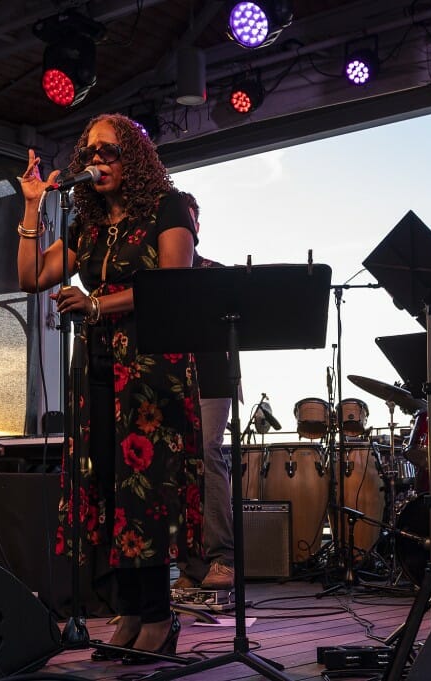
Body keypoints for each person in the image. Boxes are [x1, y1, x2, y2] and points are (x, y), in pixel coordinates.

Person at [17, 113, 205, 662]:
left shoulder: (171, 208)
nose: (97, 159)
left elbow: (173, 283)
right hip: (97, 369)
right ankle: (127, 610)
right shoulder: (89, 227)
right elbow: (31, 275)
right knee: (107, 487)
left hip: (151, 372)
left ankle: (158, 616)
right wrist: (32, 206)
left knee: (145, 493)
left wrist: (98, 303)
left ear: (136, 159)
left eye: (110, 150)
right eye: (90, 151)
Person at [171, 192, 236, 592]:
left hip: (212, 378)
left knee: (208, 454)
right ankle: (191, 566)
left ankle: (222, 558)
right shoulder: (159, 273)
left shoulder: (215, 272)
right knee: (178, 466)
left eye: (189, 220)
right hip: (171, 378)